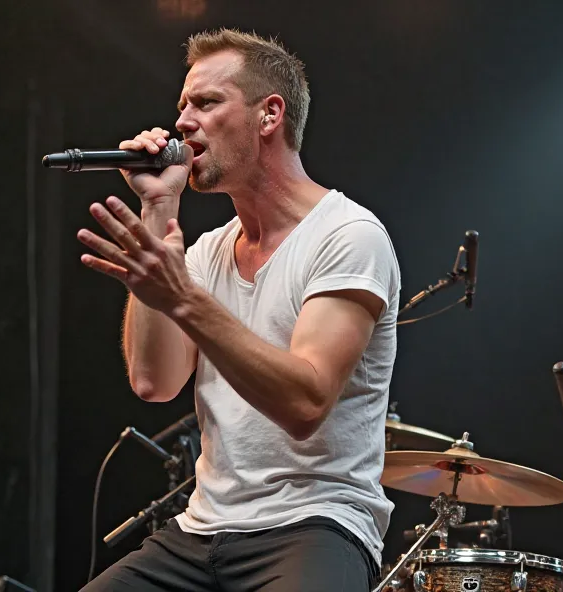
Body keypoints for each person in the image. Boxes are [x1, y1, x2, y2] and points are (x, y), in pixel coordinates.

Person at [76, 28, 401, 591]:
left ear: (269, 115)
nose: (181, 122)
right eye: (181, 106)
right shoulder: (205, 253)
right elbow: (154, 382)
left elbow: (305, 403)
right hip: (199, 530)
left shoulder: (348, 235)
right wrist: (159, 206)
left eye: (205, 102)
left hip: (316, 524)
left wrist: (184, 297)